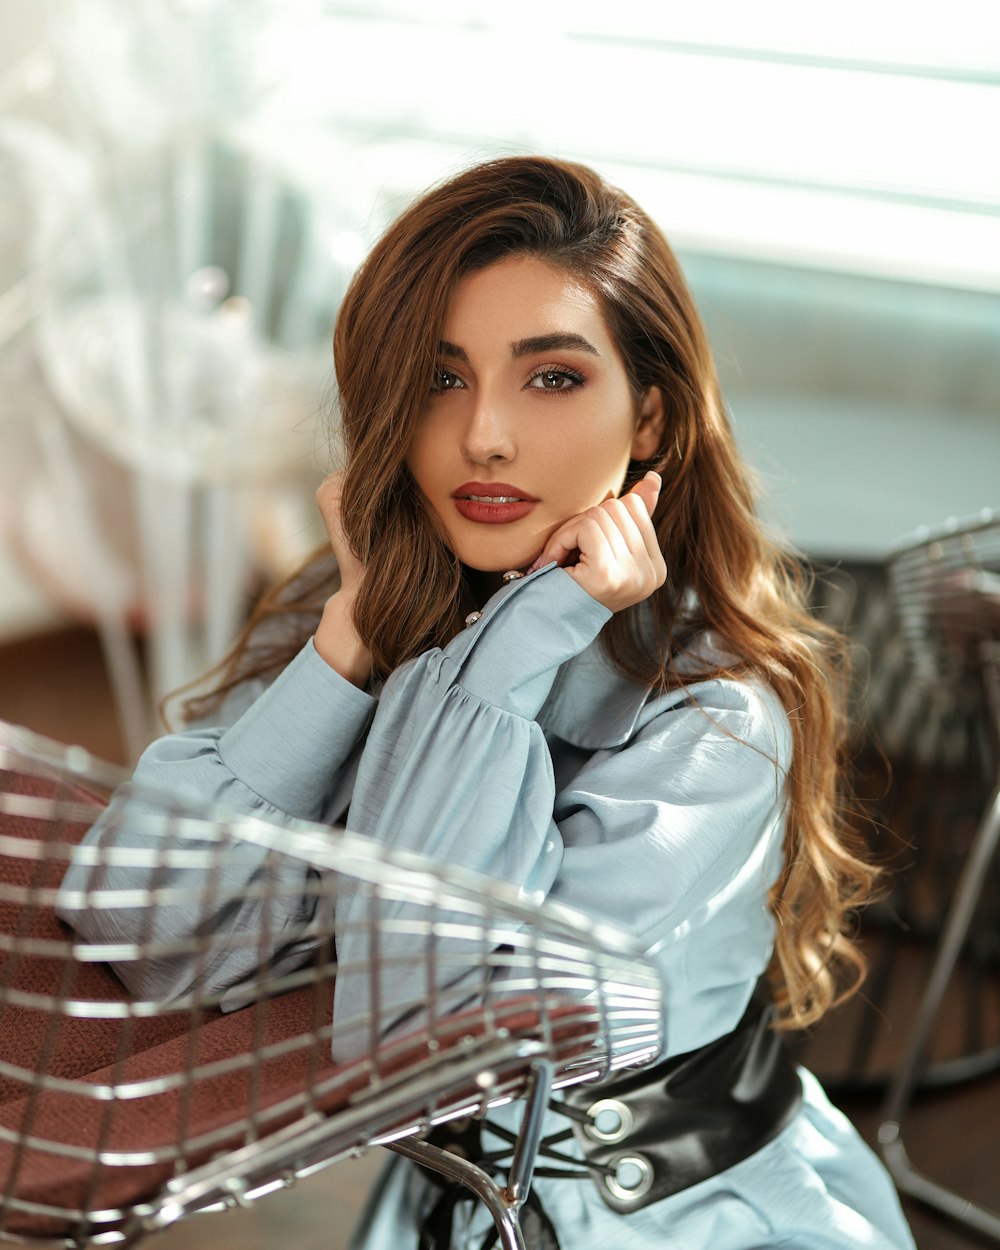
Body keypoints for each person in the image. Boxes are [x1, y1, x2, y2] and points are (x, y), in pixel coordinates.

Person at [58, 155, 915, 1249]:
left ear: (649, 417)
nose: (485, 437)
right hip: (454, 1212)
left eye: (551, 376)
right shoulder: (368, 615)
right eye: (438, 376)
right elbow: (143, 928)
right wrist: (342, 652)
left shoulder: (715, 717)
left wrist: (517, 649)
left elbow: (427, 1030)